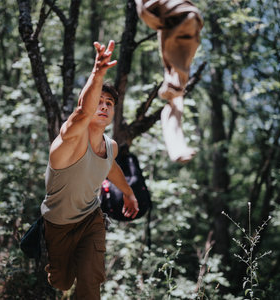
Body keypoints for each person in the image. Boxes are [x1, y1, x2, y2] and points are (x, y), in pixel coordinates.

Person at [40, 40, 139, 299]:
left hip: (90, 220)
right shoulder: (68, 141)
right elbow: (83, 112)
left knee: (90, 281)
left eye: (109, 103)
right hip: (58, 224)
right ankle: (59, 263)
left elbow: (110, 168)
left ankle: (83, 265)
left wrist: (128, 193)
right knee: (61, 282)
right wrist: (97, 72)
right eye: (100, 101)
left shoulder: (111, 146)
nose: (104, 106)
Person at [135, 0, 204, 162]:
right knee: (176, 88)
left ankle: (176, 146)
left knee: (176, 89)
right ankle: (176, 146)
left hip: (178, 20)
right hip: (177, 19)